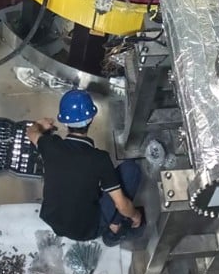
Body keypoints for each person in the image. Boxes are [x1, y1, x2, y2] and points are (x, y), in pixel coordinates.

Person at [27, 89, 144, 245]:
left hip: (55, 221)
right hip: (87, 230)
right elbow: (122, 205)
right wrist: (136, 216)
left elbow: (31, 132)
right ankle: (114, 229)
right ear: (90, 119)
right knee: (131, 170)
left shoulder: (50, 145)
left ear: (65, 122)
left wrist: (40, 124)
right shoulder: (99, 159)